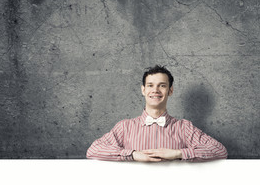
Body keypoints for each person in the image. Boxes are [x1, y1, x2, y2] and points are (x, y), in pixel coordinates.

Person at [86, 65, 227, 162]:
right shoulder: (125, 127)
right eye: (150, 85)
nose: (156, 90)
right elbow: (93, 150)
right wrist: (132, 154)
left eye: (162, 85)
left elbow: (220, 151)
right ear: (143, 90)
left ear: (170, 91)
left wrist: (178, 153)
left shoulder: (184, 127)